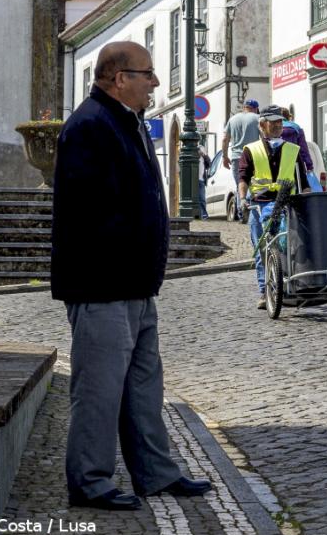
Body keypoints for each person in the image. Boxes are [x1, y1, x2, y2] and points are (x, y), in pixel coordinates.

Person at [51, 41, 212, 511]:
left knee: (144, 386)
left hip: (135, 285)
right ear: (118, 78)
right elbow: (87, 215)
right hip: (102, 285)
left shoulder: (124, 122)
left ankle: (156, 473)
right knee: (99, 391)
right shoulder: (89, 126)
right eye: (147, 74)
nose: (155, 83)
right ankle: (89, 482)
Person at [237, 104, 311, 309]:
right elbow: (243, 177)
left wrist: (306, 199)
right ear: (262, 125)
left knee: (288, 244)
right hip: (259, 204)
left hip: (287, 203)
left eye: (280, 121)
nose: (278, 125)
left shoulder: (292, 150)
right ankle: (265, 291)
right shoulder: (250, 150)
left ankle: (290, 285)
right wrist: (243, 199)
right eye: (273, 122)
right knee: (262, 249)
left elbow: (303, 181)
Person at [221, 99, 261, 218]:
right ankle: (253, 210)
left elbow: (225, 139)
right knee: (255, 184)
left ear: (244, 107)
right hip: (254, 155)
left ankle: (241, 211)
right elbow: (263, 137)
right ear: (255, 108)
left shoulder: (232, 120)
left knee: (240, 183)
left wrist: (225, 156)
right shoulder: (257, 118)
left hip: (236, 157)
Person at [198, 143, 211, 220]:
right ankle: (198, 215)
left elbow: (209, 164)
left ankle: (204, 215)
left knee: (202, 199)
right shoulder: (189, 148)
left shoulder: (201, 148)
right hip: (192, 179)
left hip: (201, 179)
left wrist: (204, 155)